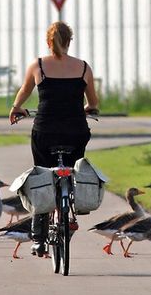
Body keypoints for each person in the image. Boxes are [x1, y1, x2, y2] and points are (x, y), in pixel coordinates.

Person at [9, 21, 99, 257]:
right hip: (76, 131)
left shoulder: (38, 65)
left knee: (42, 174)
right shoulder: (83, 68)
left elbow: (24, 92)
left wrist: (17, 107)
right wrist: (89, 109)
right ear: (69, 41)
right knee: (72, 169)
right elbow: (93, 102)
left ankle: (38, 238)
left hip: (45, 132)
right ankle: (70, 208)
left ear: (48, 43)